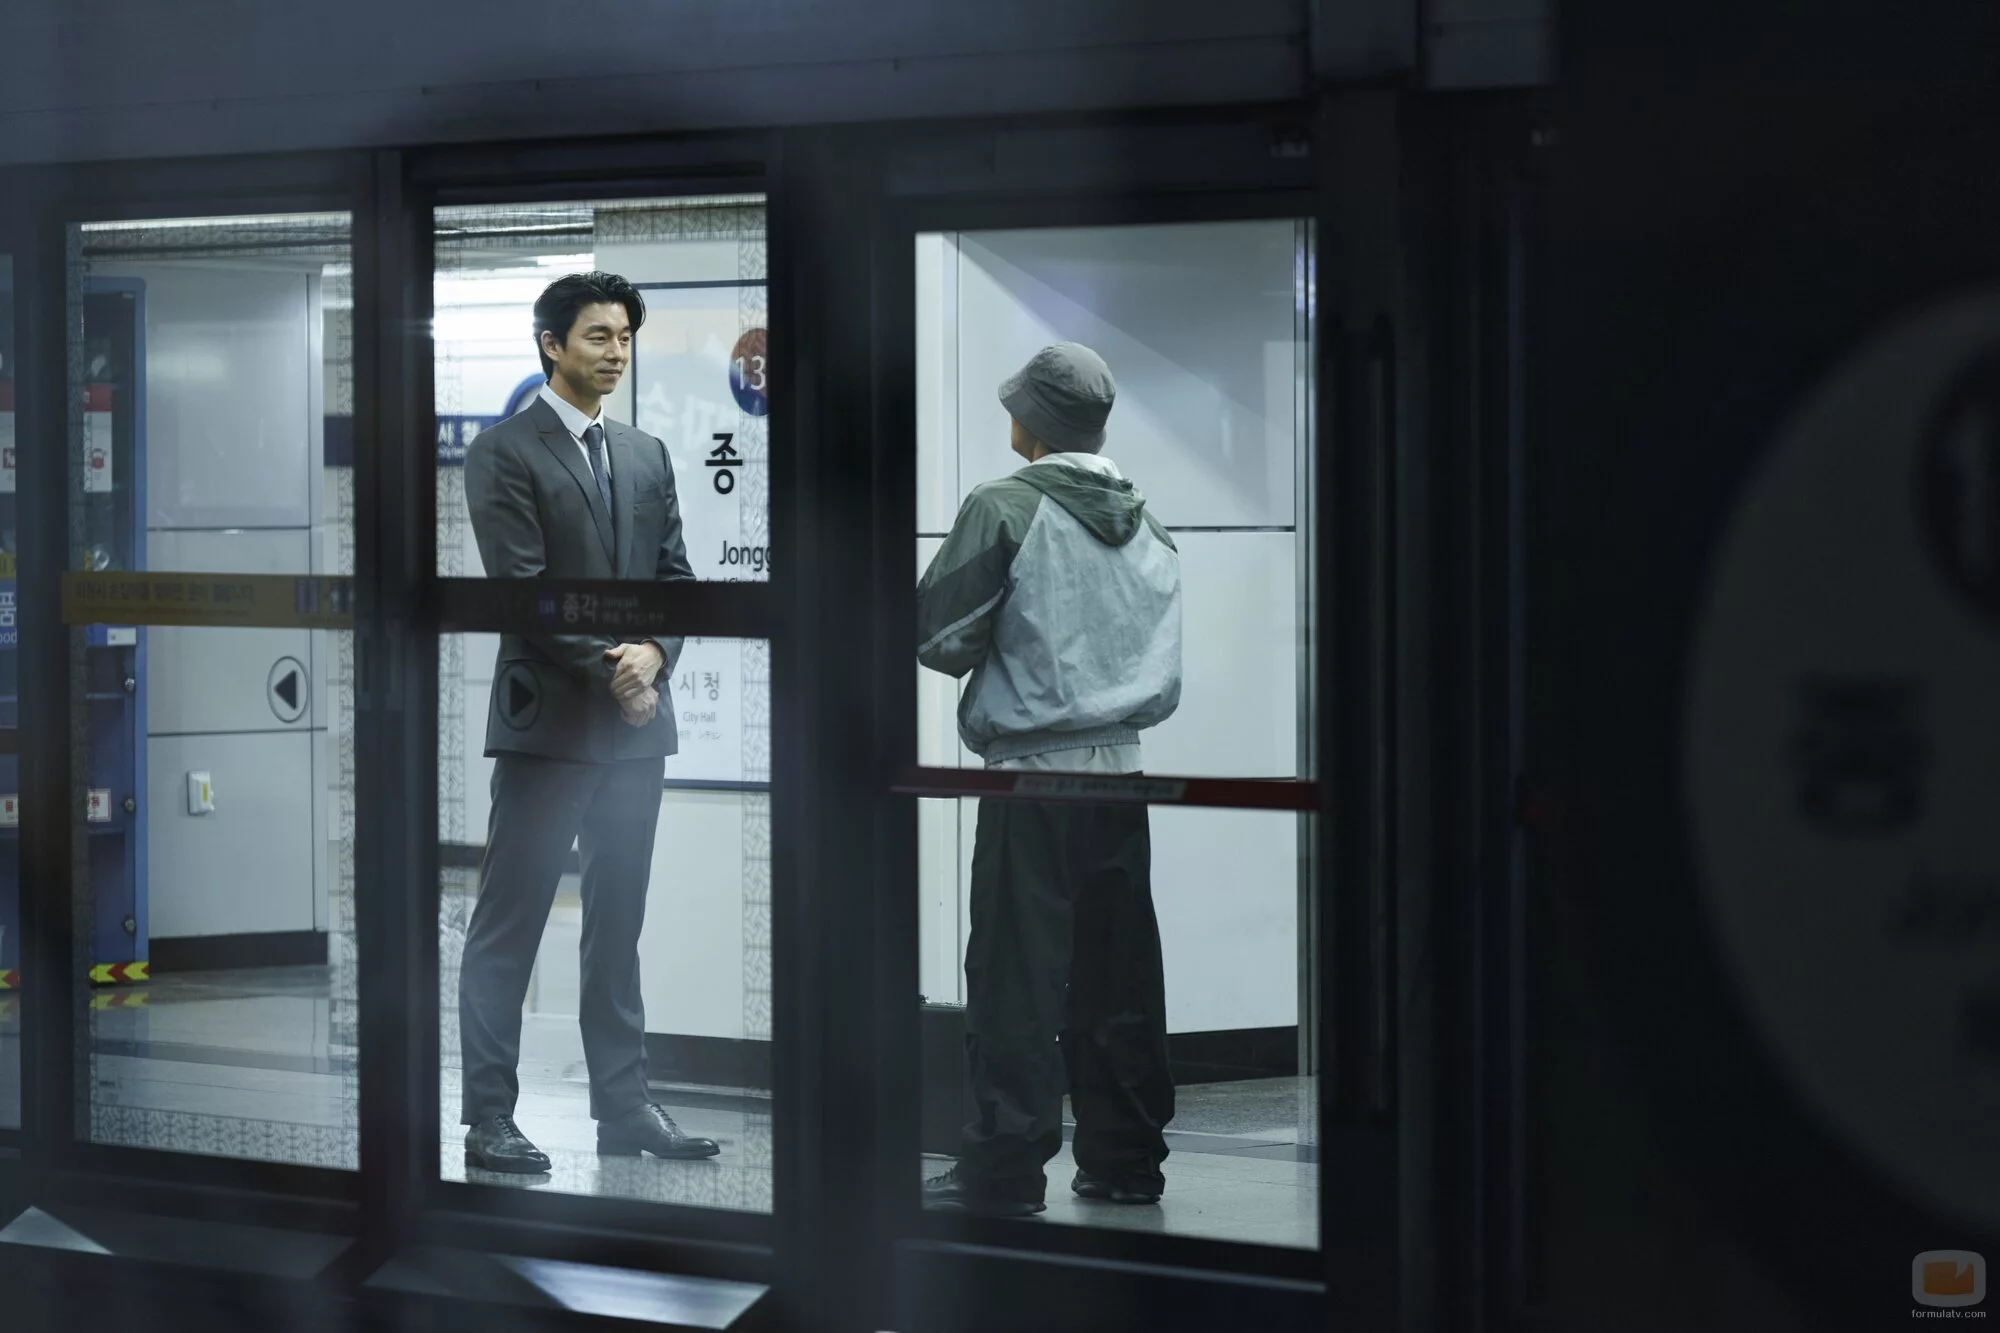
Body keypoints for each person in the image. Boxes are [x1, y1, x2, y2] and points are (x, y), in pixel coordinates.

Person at [458, 271, 718, 1173]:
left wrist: (656, 654)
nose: (615, 352)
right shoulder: (504, 451)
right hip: (549, 726)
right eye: (598, 336)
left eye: (624, 337)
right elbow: (524, 589)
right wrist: (619, 671)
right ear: (551, 344)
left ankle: (625, 1106)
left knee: (618, 925)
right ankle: (489, 1116)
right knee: (512, 921)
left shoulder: (645, 453)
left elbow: (677, 580)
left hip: (635, 729)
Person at [916, 342, 1183, 1216]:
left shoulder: (1004, 506)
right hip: (1124, 777)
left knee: (1016, 977)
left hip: (1031, 781)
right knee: (1120, 976)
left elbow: (938, 634)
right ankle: (1126, 1161)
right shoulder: (1147, 519)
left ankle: (1003, 1171)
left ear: (1029, 421)